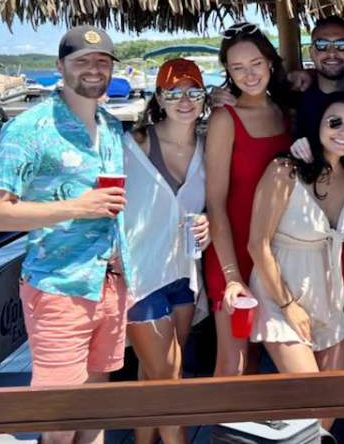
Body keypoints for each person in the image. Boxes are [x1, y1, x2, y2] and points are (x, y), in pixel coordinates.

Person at [0, 26, 129, 444]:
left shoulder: (112, 126)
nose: (94, 70)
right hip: (59, 287)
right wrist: (77, 208)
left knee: (94, 408)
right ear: (60, 66)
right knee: (60, 419)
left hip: (110, 283)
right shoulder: (29, 129)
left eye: (102, 62)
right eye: (82, 61)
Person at [248, 92, 344, 430]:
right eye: (335, 122)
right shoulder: (285, 169)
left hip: (328, 300)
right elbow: (258, 244)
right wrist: (287, 305)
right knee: (314, 401)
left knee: (328, 410)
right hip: (280, 293)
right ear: (317, 125)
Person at [121, 58, 212, 444]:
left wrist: (210, 222)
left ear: (204, 95)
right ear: (159, 97)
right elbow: (102, 200)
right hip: (141, 276)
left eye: (193, 90)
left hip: (184, 275)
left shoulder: (209, 147)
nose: (184, 100)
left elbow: (219, 201)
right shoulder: (135, 143)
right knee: (169, 376)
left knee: (152, 375)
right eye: (173, 92)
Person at [204, 22, 294, 376]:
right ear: (227, 72)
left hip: (276, 252)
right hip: (233, 251)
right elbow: (215, 203)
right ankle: (223, 432)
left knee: (265, 357)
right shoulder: (225, 118)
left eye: (255, 63)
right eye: (237, 68)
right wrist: (230, 275)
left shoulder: (286, 113)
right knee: (233, 362)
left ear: (270, 62)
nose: (249, 74)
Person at [295, 16, 344, 139]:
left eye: (342, 45)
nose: (331, 53)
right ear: (311, 53)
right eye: (322, 45)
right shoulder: (297, 99)